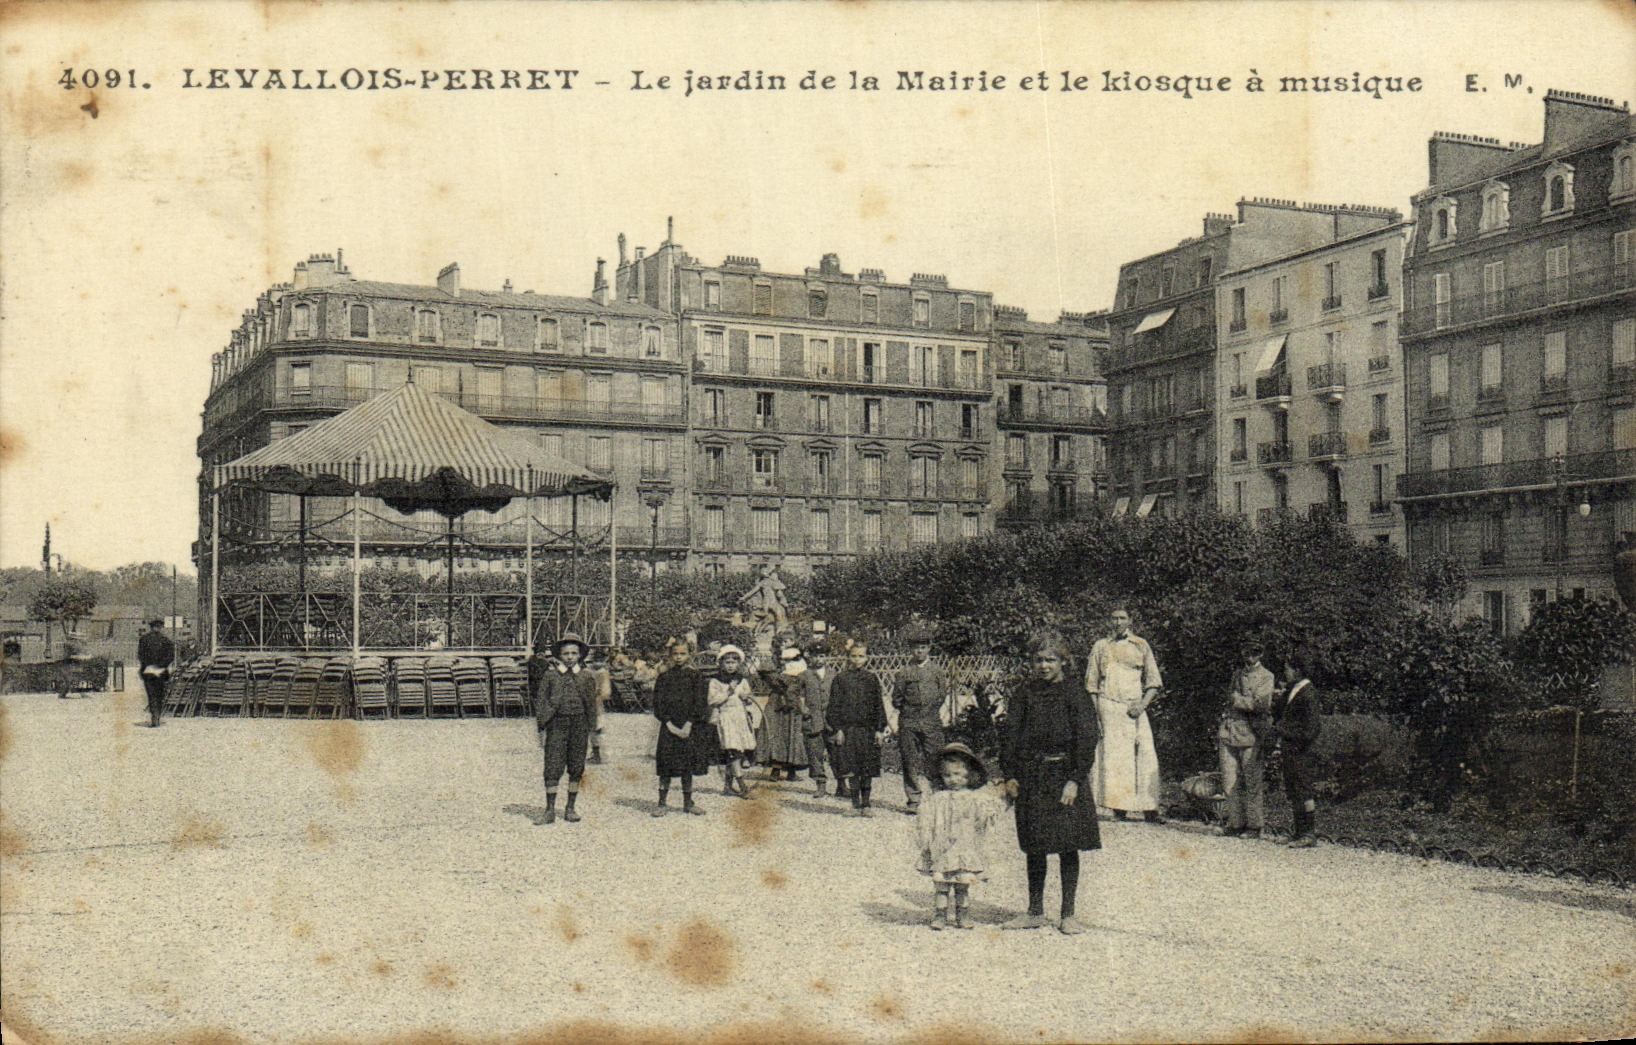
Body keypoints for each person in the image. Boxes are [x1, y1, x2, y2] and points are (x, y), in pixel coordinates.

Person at [1001, 630, 1101, 934]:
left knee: (1068, 844)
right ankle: (1034, 911)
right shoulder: (1024, 693)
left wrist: (1075, 779)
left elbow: (1087, 738)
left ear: (1062, 661)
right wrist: (1010, 775)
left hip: (1065, 776)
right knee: (1035, 844)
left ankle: (1068, 914)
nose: (1044, 666)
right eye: (1039, 660)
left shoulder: (1075, 693)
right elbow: (1009, 736)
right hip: (1032, 776)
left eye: (1050, 660)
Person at [915, 741, 1009, 930]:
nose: (952, 779)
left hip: (963, 847)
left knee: (962, 884)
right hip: (942, 846)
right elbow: (926, 819)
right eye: (947, 775)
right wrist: (927, 837)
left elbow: (986, 814)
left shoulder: (974, 798)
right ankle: (940, 915)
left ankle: (962, 915)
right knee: (941, 883)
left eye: (957, 774)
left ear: (969, 774)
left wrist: (997, 801)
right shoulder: (938, 798)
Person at [1084, 607, 1165, 822]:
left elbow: (1153, 682)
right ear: (1109, 621)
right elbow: (1091, 685)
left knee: (1145, 755)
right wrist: (1097, 715)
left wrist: (1142, 704)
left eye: (1122, 618)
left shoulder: (1140, 645)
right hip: (1108, 706)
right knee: (1115, 758)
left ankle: (1150, 808)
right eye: (1114, 618)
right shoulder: (1101, 646)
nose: (1118, 622)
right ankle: (1118, 807)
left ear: (1130, 620)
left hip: (1134, 708)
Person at [533, 632, 599, 824]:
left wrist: (592, 728)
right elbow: (542, 701)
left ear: (580, 655)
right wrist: (542, 725)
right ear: (559, 655)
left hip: (579, 724)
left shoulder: (586, 676)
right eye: (566, 653)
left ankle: (570, 808)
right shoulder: (551, 676)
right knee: (553, 764)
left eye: (574, 653)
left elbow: (591, 705)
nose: (570, 657)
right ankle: (550, 809)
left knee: (576, 764)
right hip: (557, 724)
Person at [1215, 641, 1276, 839]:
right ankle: (1235, 822)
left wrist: (1237, 700)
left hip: (1250, 733)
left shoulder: (1267, 676)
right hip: (1229, 731)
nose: (1249, 657)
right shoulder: (1237, 674)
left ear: (1260, 654)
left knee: (1252, 782)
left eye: (1254, 653)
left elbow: (1261, 704)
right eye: (1246, 652)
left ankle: (1254, 825)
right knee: (1229, 780)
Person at [827, 641, 890, 816]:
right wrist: (838, 729)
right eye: (853, 656)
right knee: (852, 768)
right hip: (849, 731)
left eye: (861, 656)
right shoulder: (841, 679)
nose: (857, 660)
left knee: (867, 767)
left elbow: (878, 705)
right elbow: (834, 706)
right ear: (848, 657)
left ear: (867, 657)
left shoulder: (871, 679)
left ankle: (866, 804)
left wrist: (879, 729)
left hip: (867, 731)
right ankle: (855, 804)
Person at [652, 638, 710, 817]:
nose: (678, 657)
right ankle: (662, 803)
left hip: (688, 728)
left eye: (682, 654)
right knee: (666, 765)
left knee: (687, 765)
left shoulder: (696, 677)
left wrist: (688, 724)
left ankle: (688, 802)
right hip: (669, 727)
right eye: (675, 654)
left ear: (689, 654)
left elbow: (700, 703)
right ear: (670, 655)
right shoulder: (664, 677)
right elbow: (658, 704)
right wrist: (668, 723)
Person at [892, 628, 947, 814]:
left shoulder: (937, 671)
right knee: (909, 760)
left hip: (931, 721)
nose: (919, 652)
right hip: (909, 721)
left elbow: (942, 695)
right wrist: (910, 710)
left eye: (923, 647)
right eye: (916, 648)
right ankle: (914, 799)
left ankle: (938, 796)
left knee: (935, 757)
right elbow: (896, 699)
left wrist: (928, 710)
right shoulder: (904, 672)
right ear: (911, 650)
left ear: (929, 649)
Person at [1274, 654, 1324, 848]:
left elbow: (1311, 728)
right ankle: (1298, 831)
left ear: (1297, 670)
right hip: (1291, 749)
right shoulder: (1293, 689)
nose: (1285, 672)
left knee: (1304, 790)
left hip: (1302, 750)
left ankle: (1308, 833)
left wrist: (1283, 730)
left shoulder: (1308, 693)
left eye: (1287, 668)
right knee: (1294, 789)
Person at [706, 645, 759, 798]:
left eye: (733, 662)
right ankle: (743, 787)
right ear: (721, 663)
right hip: (726, 718)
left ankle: (728, 786)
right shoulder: (715, 681)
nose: (730, 665)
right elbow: (712, 700)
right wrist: (728, 691)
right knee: (733, 750)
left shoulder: (742, 680)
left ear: (738, 664)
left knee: (737, 752)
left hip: (740, 718)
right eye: (727, 662)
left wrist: (746, 698)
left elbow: (748, 698)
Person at [756, 641, 812, 781]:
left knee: (788, 735)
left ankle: (788, 769)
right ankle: (779, 769)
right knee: (783, 735)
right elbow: (765, 672)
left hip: (787, 705)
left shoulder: (795, 674)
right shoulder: (783, 675)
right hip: (781, 706)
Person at [137, 618, 174, 728]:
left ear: (151, 627)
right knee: (160, 694)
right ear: (160, 627)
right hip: (161, 672)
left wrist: (149, 665)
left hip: (148, 671)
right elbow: (170, 657)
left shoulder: (144, 639)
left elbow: (141, 656)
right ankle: (157, 716)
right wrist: (161, 665)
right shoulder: (166, 640)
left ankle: (154, 716)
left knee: (151, 694)